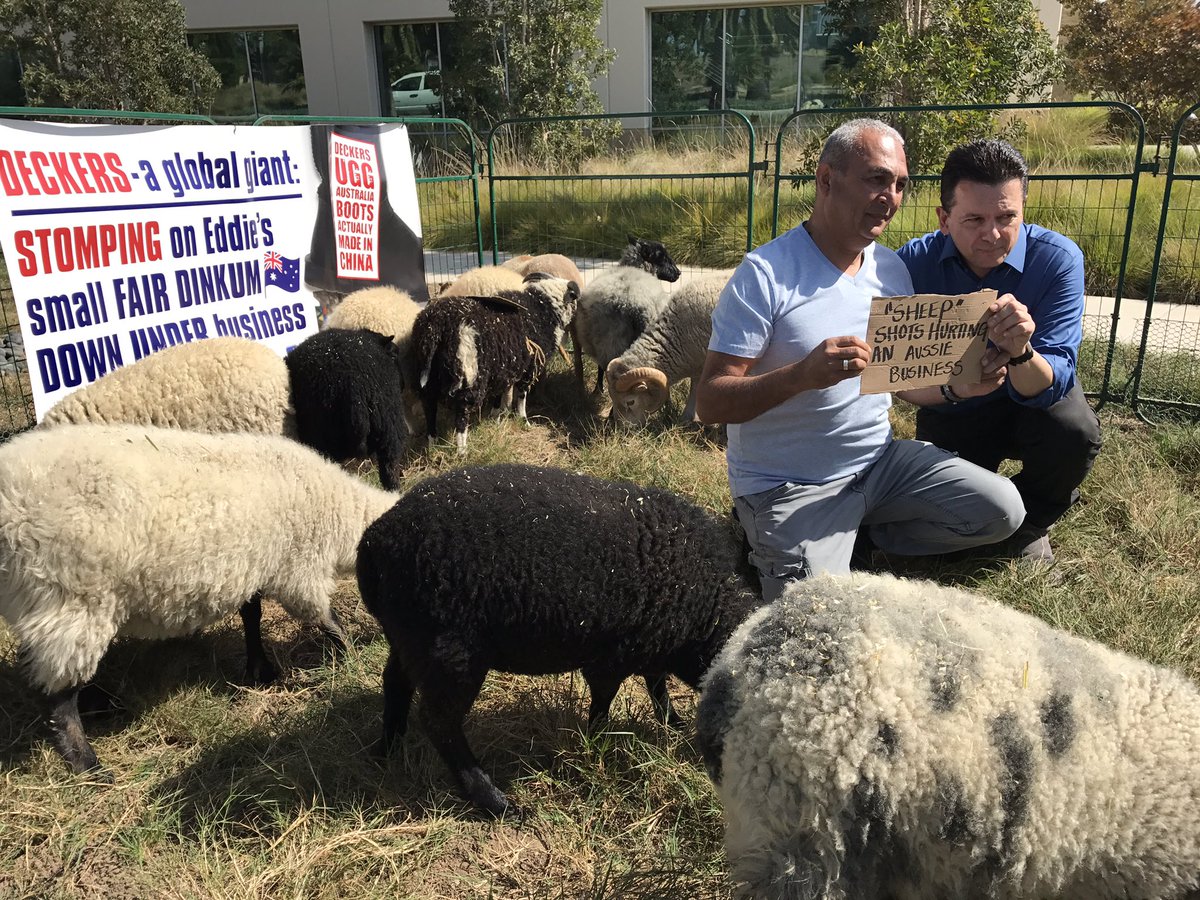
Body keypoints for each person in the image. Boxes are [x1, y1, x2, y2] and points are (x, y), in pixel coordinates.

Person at [695, 119, 1025, 601]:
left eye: (900, 185)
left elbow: (897, 382)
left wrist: (956, 388)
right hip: (791, 485)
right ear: (827, 180)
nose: (890, 196)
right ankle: (778, 536)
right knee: (815, 617)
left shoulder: (890, 269)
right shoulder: (765, 275)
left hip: (879, 463)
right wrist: (800, 376)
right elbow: (711, 402)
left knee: (1001, 510)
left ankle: (866, 538)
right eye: (876, 179)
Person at [896, 139, 1102, 563]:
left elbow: (1053, 381)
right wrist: (957, 390)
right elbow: (900, 375)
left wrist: (1021, 350)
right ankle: (987, 513)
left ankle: (1033, 521)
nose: (992, 235)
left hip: (1032, 400)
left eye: (1007, 217)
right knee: (953, 497)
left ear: (1023, 211)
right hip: (955, 407)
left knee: (1073, 430)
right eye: (973, 219)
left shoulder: (1058, 261)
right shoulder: (911, 265)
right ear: (944, 219)